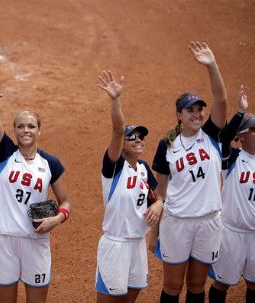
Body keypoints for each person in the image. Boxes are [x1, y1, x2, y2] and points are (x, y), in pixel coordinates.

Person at [0, 54, 72, 303]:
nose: (25, 130)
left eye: (30, 126)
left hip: (36, 242)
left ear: (39, 130)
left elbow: (66, 201)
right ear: (14, 130)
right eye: (20, 126)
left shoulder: (51, 163)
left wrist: (58, 219)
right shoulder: (5, 153)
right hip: (4, 241)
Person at [151, 41, 227, 303]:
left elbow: (221, 99)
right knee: (172, 287)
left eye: (199, 110)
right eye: (190, 110)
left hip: (209, 221)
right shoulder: (167, 145)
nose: (197, 114)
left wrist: (211, 65)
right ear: (178, 116)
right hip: (177, 222)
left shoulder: (212, 136)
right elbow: (160, 191)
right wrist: (155, 232)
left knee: (196, 286)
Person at [95, 71, 163, 303]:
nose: (138, 140)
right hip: (116, 245)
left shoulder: (143, 168)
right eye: (131, 137)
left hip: (137, 245)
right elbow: (117, 129)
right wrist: (115, 100)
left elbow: (157, 196)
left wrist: (158, 206)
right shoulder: (113, 167)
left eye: (141, 137)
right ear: (121, 145)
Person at [208, 85, 255, 303]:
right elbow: (223, 138)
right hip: (231, 233)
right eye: (254, 129)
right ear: (242, 136)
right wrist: (239, 112)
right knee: (222, 282)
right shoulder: (232, 158)